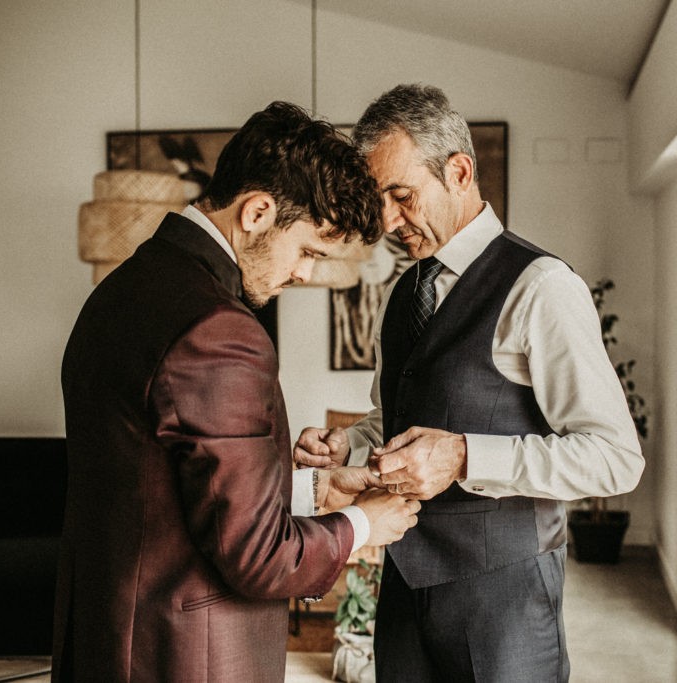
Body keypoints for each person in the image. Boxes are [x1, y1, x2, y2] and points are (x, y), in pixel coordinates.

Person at [55, 101, 420, 682]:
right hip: (184, 655)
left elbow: (170, 490)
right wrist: (362, 524)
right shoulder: (221, 332)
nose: (303, 274)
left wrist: (316, 488)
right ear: (256, 212)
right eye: (307, 250)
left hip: (109, 636)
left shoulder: (123, 289)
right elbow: (256, 557)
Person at [294, 84, 644, 682]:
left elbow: (616, 459)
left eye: (401, 196)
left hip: (504, 599)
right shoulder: (405, 293)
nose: (387, 221)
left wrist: (463, 456)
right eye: (379, 201)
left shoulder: (542, 287)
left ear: (459, 170)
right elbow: (393, 416)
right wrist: (348, 444)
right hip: (403, 586)